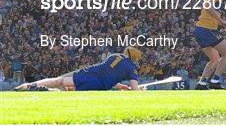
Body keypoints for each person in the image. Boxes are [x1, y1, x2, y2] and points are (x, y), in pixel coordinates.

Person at [15, 47, 143, 91]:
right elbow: (135, 90)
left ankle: (32, 85)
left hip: (91, 74)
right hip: (96, 81)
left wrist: (120, 86)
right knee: (63, 84)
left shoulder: (116, 56)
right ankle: (36, 87)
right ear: (134, 58)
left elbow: (108, 75)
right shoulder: (131, 67)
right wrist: (138, 89)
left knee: (61, 83)